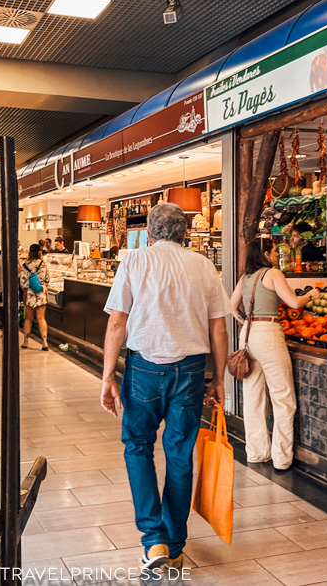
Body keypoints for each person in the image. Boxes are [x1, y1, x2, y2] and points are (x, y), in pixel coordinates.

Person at [100, 203, 230, 573]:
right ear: (185, 233)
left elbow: (116, 325)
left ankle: (152, 538)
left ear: (151, 234)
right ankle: (174, 543)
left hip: (144, 369)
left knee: (138, 447)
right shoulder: (203, 265)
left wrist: (108, 375)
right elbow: (218, 329)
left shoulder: (135, 260)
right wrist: (218, 378)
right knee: (179, 452)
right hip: (190, 371)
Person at [229, 238, 320, 469]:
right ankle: (281, 459)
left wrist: (245, 321)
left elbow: (231, 306)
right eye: (272, 252)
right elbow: (293, 302)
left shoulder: (245, 278)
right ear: (267, 254)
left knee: (253, 396)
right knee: (283, 397)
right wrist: (312, 294)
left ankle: (257, 452)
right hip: (269, 332)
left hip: (248, 333)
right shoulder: (273, 273)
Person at [19, 243, 50, 350]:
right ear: (39, 252)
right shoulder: (43, 264)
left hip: (29, 294)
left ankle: (25, 341)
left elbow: (22, 282)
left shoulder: (25, 265)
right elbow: (47, 279)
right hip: (41, 293)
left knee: (28, 318)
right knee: (41, 318)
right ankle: (44, 342)